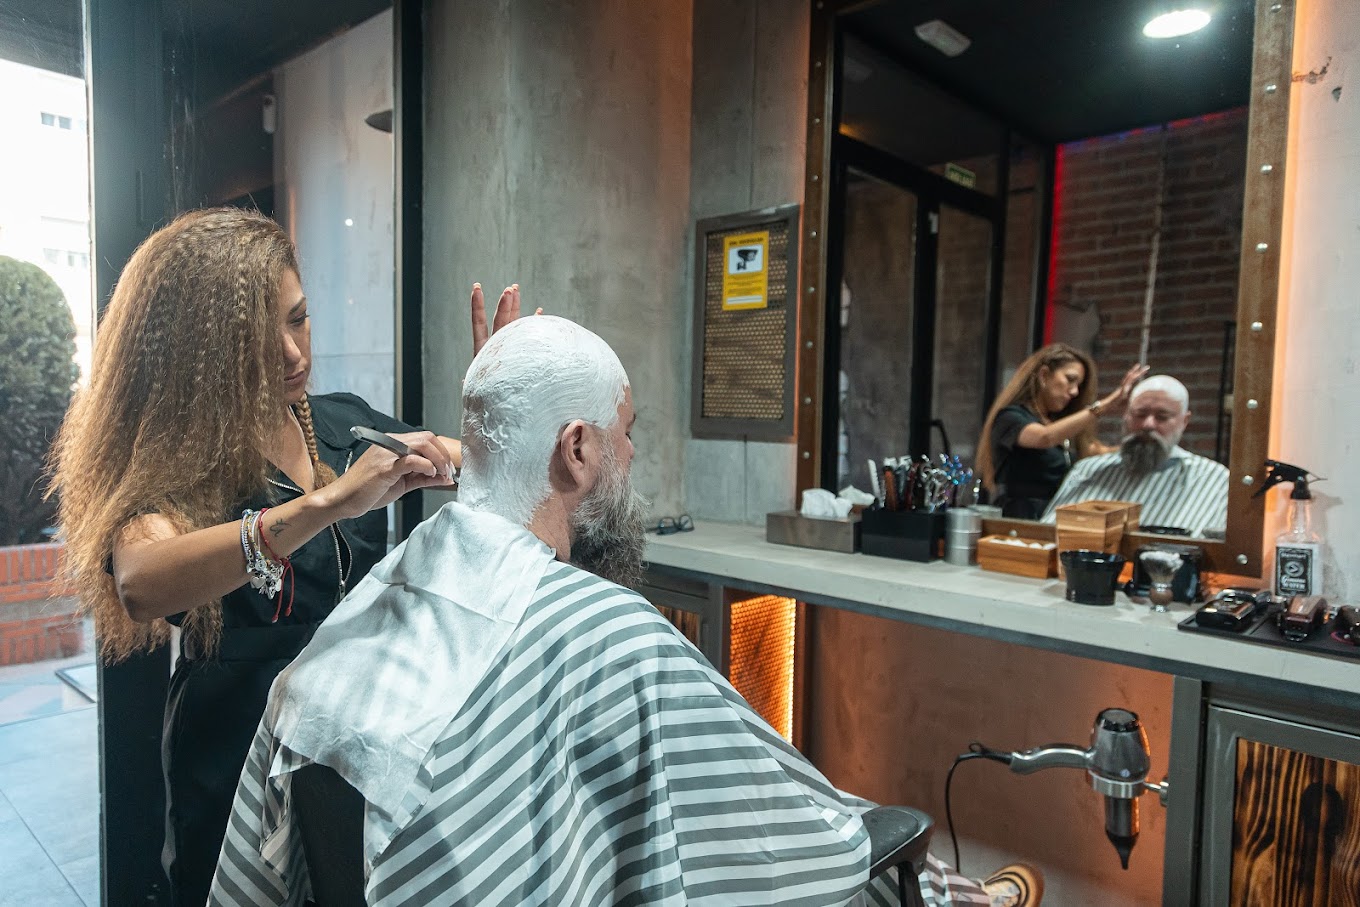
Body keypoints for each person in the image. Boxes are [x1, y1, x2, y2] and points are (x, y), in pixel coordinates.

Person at [209, 314, 1043, 907]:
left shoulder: (363, 615)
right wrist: (886, 852)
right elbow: (786, 840)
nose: (632, 455)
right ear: (576, 449)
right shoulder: (615, 638)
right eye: (626, 432)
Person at [46, 207, 523, 907]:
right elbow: (142, 582)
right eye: (254, 338)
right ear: (195, 350)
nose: (294, 352)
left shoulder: (343, 424)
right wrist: (323, 506)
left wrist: (495, 408)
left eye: (298, 318)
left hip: (348, 749)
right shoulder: (182, 465)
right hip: (233, 754)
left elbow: (475, 469)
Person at [1041, 375, 1229, 538]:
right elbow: (1046, 534)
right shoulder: (1088, 470)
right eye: (1139, 414)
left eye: (1162, 417)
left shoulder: (1215, 479)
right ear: (1126, 415)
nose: (1148, 425)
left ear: (1184, 421)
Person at [976, 344, 1148, 519]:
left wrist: (1146, 442)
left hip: (1055, 517)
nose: (1074, 392)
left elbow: (1095, 451)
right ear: (1044, 375)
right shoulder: (1011, 418)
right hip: (1019, 519)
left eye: (1078, 385)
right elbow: (1044, 437)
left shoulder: (1059, 425)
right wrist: (1107, 404)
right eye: (1070, 379)